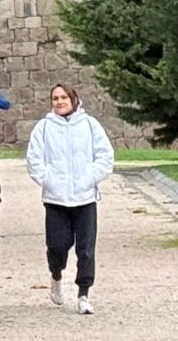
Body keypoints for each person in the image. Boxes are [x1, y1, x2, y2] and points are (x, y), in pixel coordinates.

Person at [24, 83, 114, 315]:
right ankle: (56, 274)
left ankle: (84, 293)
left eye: (64, 97)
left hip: (84, 198)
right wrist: (49, 180)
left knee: (85, 249)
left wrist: (89, 178)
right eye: (55, 98)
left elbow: (105, 156)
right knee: (57, 245)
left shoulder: (90, 125)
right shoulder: (43, 127)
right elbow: (34, 160)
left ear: (74, 99)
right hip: (56, 199)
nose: (60, 101)